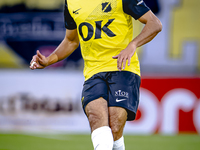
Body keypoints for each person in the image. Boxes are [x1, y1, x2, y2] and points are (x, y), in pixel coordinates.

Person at [30, 0, 162, 149]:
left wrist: (132, 45)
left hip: (122, 68)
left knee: (115, 127)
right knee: (95, 116)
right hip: (93, 72)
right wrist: (48, 60)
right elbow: (71, 40)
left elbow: (154, 24)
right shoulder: (71, 2)